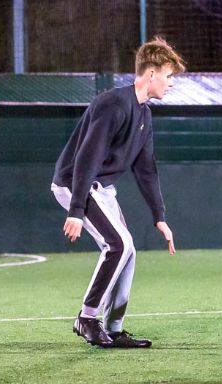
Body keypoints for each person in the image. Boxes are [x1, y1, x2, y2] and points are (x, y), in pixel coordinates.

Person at [51, 37, 185, 348]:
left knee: (128, 250)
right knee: (118, 244)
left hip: (101, 189)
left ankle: (113, 328)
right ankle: (87, 318)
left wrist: (159, 216)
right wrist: (76, 209)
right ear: (150, 74)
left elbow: (146, 168)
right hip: (76, 183)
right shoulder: (114, 103)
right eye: (168, 75)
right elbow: (87, 157)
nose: (171, 83)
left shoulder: (144, 114)